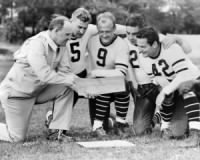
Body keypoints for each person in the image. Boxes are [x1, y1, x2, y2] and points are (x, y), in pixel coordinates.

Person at [0, 16, 79, 142]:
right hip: (17, 93)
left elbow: (66, 72)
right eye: (67, 34)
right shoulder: (37, 43)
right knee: (16, 138)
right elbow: (44, 74)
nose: (70, 38)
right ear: (55, 31)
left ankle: (56, 132)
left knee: (67, 87)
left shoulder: (63, 44)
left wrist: (81, 87)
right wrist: (69, 79)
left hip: (38, 91)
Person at [125, 14, 192, 136]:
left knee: (176, 133)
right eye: (127, 33)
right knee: (140, 130)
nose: (131, 37)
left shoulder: (164, 44)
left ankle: (183, 118)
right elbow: (159, 79)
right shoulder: (142, 55)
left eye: (134, 34)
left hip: (183, 86)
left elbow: (185, 66)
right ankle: (162, 116)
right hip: (151, 86)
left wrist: (177, 39)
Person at [136, 26, 200, 140]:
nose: (139, 50)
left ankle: (196, 131)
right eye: (138, 46)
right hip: (176, 90)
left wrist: (165, 91)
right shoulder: (143, 58)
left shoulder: (170, 48)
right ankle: (162, 119)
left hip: (193, 85)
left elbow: (184, 75)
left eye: (143, 46)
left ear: (155, 44)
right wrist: (165, 94)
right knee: (176, 133)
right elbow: (162, 83)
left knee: (181, 87)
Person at [87, 12, 130, 137]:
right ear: (97, 30)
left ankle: (120, 124)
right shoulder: (90, 40)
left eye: (108, 31)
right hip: (93, 85)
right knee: (105, 84)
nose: (104, 35)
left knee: (121, 83)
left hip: (111, 83)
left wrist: (96, 73)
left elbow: (121, 72)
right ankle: (98, 126)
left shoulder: (121, 44)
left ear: (115, 29)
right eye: (101, 31)